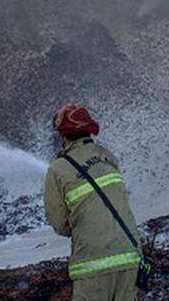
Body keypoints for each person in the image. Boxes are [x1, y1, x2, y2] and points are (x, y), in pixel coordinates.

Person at [43, 102, 141, 301]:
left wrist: (86, 227)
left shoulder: (58, 169)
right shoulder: (107, 156)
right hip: (130, 256)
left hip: (93, 264)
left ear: (62, 135)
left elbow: (60, 224)